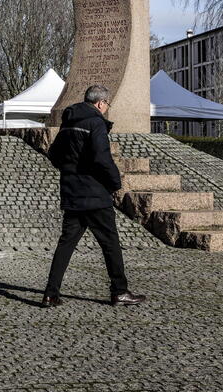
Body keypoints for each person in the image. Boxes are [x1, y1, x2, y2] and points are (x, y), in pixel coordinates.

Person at [42, 85, 146, 308]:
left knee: (66, 245)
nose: (107, 108)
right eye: (108, 104)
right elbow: (101, 157)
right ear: (100, 103)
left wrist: (70, 171)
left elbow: (54, 154)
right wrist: (115, 182)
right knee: (110, 244)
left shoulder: (69, 123)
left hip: (72, 192)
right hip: (95, 195)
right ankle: (119, 291)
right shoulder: (96, 122)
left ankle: (51, 294)